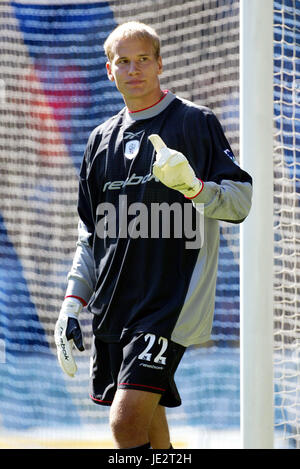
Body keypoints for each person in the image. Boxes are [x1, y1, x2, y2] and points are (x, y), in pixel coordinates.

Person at [54, 21, 252, 450]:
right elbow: (90, 233)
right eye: (123, 61)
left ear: (160, 63)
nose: (134, 69)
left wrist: (193, 187)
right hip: (114, 306)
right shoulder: (98, 139)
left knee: (125, 424)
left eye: (143, 59)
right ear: (110, 71)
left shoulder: (195, 123)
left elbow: (240, 202)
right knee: (150, 431)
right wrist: (72, 302)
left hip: (169, 304)